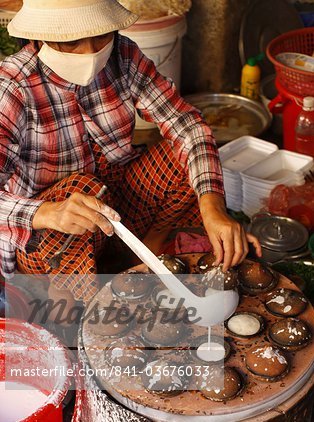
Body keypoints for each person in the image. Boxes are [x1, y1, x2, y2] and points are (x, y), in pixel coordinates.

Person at [0, 0, 260, 307]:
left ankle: (144, 259)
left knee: (180, 158)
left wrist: (213, 207)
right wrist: (48, 213)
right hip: (51, 243)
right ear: (39, 36)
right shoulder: (13, 90)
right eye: (71, 42)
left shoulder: (122, 55)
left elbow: (185, 124)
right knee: (79, 190)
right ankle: (84, 304)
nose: (90, 52)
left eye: (100, 35)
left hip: (118, 209)